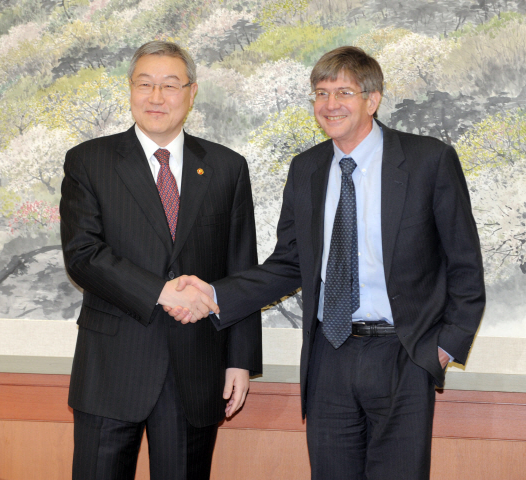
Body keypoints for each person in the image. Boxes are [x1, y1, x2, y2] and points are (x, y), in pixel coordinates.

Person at [170, 46, 485, 479]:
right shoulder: (306, 169)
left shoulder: (427, 160)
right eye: (320, 93)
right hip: (328, 355)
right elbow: (288, 264)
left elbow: (465, 264)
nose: (329, 104)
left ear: (372, 100)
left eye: (343, 92)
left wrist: (443, 349)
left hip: (404, 353)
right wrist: (215, 293)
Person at [60, 41, 262, 480]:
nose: (156, 97)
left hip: (195, 369)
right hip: (112, 367)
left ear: (192, 92)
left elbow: (241, 269)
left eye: (170, 85)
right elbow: (83, 254)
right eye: (145, 84)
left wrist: (240, 360)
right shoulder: (89, 161)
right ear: (130, 90)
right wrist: (160, 291)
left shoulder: (228, 167)